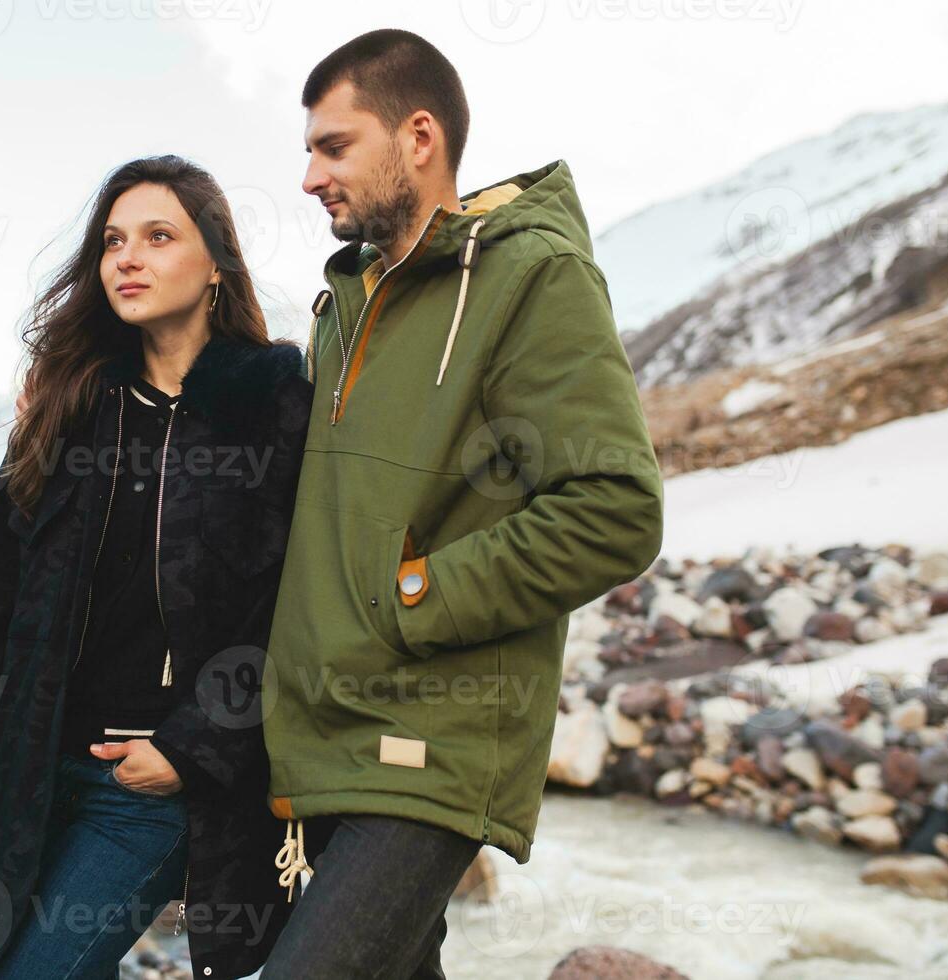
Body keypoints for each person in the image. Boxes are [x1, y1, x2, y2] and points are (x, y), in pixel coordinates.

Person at [259, 30, 665, 979]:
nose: (311, 176)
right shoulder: (347, 301)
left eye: (333, 146)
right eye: (309, 150)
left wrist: (412, 597)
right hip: (327, 734)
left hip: (430, 739)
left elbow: (615, 506)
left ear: (420, 135)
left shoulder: (533, 277)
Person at [0, 154, 312, 979]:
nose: (127, 257)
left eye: (158, 236)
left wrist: (194, 747)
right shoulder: (70, 404)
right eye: (112, 241)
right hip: (37, 767)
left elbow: (295, 609)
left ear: (215, 264)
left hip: (153, 782)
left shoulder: (273, 402)